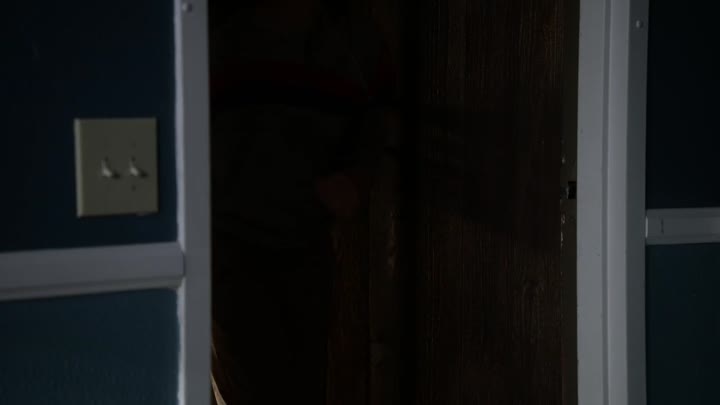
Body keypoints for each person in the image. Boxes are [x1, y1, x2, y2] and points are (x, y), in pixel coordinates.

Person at [209, 0, 396, 403]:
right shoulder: (216, 26)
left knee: (303, 386)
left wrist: (357, 177)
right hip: (227, 244)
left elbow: (379, 109)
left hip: (306, 240)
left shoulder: (353, 37)